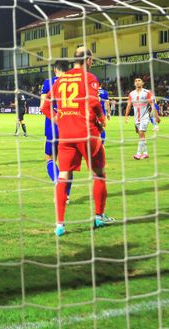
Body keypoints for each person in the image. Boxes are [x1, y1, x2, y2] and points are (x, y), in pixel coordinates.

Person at [41, 47, 115, 237]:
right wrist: (101, 119)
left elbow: (44, 106)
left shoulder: (60, 80)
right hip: (87, 133)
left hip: (66, 136)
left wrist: (56, 118)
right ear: (89, 60)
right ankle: (99, 216)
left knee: (63, 175)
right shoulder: (89, 77)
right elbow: (93, 102)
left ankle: (60, 225)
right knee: (99, 173)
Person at [40, 60, 72, 199]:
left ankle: (58, 184)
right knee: (68, 164)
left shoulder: (49, 82)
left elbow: (43, 106)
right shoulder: (73, 82)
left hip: (54, 126)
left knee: (50, 158)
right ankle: (67, 195)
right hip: (71, 127)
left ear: (55, 70)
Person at [124, 78, 158, 160]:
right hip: (136, 118)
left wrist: (156, 116)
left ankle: (138, 154)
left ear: (142, 83)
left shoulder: (147, 92)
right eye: (135, 81)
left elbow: (152, 105)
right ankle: (145, 153)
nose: (137, 82)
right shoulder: (131, 94)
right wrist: (126, 116)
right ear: (134, 83)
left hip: (145, 117)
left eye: (139, 81)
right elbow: (129, 105)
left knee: (141, 133)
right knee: (141, 136)